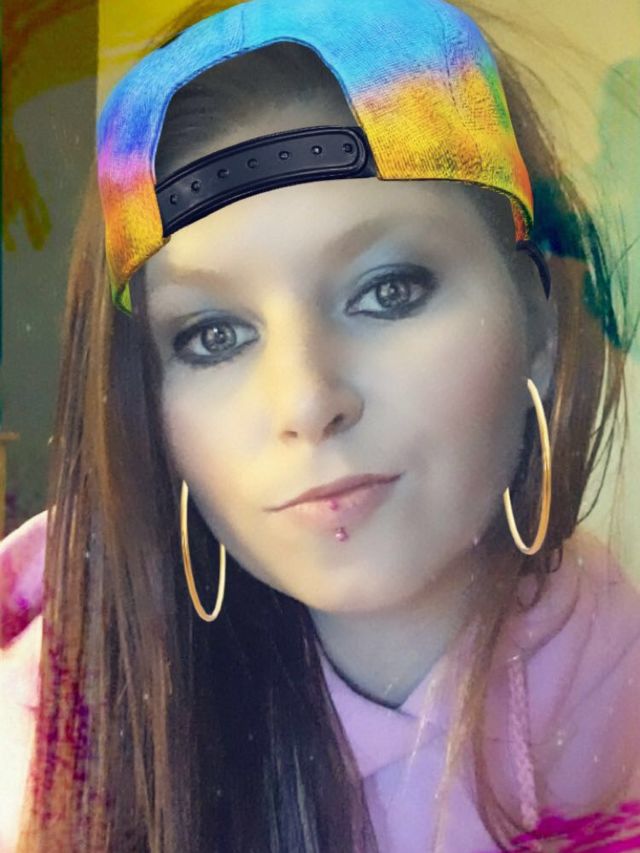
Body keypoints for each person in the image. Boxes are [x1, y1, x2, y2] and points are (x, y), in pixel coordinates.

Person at [1, 0, 639, 851]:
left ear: (541, 325)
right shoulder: (48, 744)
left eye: (389, 290)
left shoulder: (621, 688)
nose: (305, 402)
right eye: (212, 335)